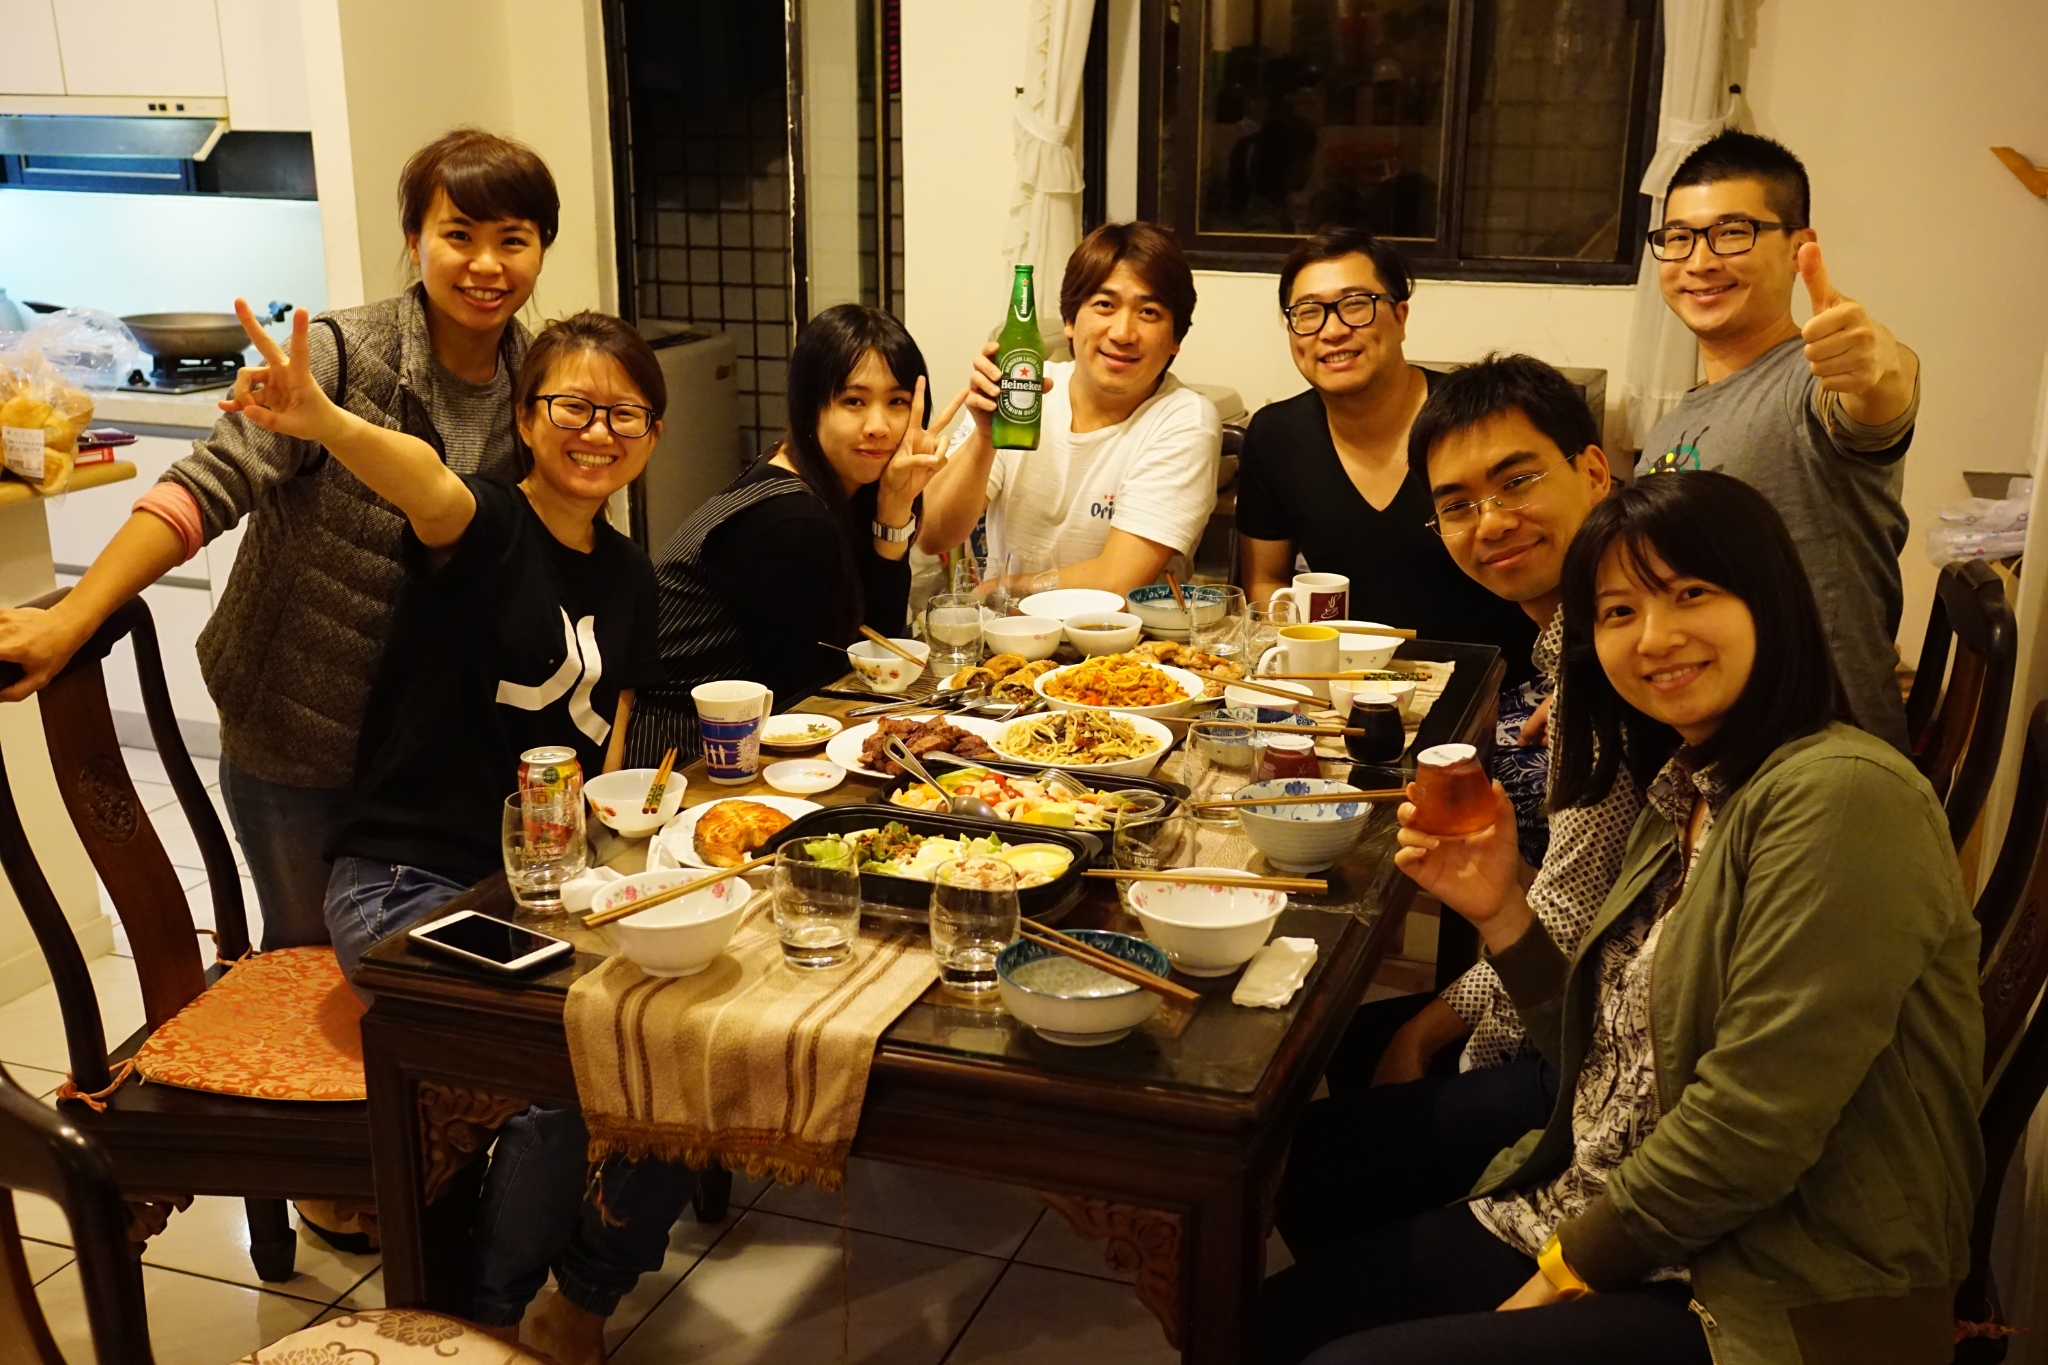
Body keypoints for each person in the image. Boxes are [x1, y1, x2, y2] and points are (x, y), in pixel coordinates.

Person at [1256, 470, 1982, 1365]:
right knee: (1290, 1275)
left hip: (1768, 1283)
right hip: (1613, 1192)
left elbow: (1749, 1130)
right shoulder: (1690, 784)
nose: (1655, 636)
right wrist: (1501, 909)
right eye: (1618, 612)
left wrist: (1556, 1280)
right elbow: (1611, 1052)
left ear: (1772, 599)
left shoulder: (1841, 798)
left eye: (1691, 593)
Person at [222, 301, 688, 1365]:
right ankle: (488, 1319)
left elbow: (610, 742)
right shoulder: (485, 526)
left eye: (625, 414)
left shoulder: (629, 576)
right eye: (573, 406)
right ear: (525, 419)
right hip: (406, 883)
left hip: (538, 890)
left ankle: (583, 1298)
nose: (599, 431)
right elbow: (422, 481)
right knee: (559, 1066)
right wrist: (324, 421)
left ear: (652, 436)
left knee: (685, 1040)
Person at [0, 127, 557, 951]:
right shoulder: (335, 358)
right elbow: (206, 486)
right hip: (302, 732)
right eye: (458, 234)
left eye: (512, 240)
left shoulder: (536, 380)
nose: (486, 265)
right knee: (306, 957)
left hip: (438, 749)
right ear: (415, 240)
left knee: (422, 973)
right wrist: (73, 617)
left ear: (542, 247)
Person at [1274, 354, 1641, 1257]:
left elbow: (1563, 925)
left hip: (1605, 1060)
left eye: (1518, 481)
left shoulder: (1615, 663)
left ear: (1594, 472)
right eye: (1459, 504)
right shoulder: (1575, 643)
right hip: (1588, 1003)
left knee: (1305, 1149)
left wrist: (1430, 1029)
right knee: (1337, 1049)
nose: (1493, 521)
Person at [1639, 130, 1918, 752]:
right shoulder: (1676, 422)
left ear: (1798, 248)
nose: (1699, 261)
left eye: (1733, 232)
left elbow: (1876, 396)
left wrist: (1883, 365)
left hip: (1817, 758)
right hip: (1714, 752)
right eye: (1678, 238)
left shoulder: (1809, 382)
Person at [627, 304, 960, 764]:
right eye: (853, 401)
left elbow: (874, 654)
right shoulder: (791, 521)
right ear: (808, 404)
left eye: (897, 402)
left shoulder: (832, 482)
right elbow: (824, 688)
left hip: (753, 731)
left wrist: (895, 508)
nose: (878, 427)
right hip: (684, 750)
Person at [1236, 228, 1539, 687]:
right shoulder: (1276, 434)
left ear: (1400, 316)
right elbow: (1266, 584)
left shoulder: (1473, 421)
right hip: (1347, 687)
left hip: (1502, 686)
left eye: (1355, 304)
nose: (1332, 331)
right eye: (1308, 313)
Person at [915, 221, 1221, 594]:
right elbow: (932, 536)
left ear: (1176, 339)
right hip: (1007, 628)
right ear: (1070, 320)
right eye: (1105, 305)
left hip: (1127, 632)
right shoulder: (1027, 388)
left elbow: (1117, 581)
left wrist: (1008, 587)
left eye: (1149, 313)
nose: (1123, 333)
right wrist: (984, 437)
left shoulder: (1185, 419)